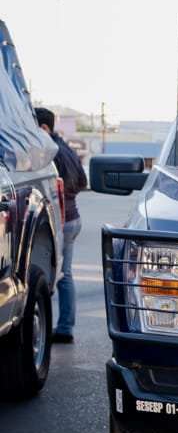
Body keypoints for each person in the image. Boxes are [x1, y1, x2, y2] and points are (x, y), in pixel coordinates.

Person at [35, 108, 87, 344]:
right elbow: (83, 182)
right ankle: (65, 326)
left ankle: (63, 328)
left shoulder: (51, 153)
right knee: (66, 275)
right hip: (74, 218)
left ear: (44, 128)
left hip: (63, 220)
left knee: (56, 276)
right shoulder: (68, 149)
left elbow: (54, 189)